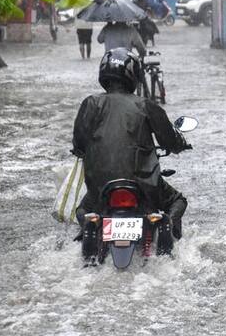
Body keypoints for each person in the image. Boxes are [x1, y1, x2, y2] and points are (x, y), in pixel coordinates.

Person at [72, 48, 189, 261]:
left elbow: (78, 143)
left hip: (101, 186)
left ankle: (89, 226)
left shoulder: (91, 103)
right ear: (134, 76)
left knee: (82, 210)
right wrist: (181, 144)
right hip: (144, 183)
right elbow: (170, 140)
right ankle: (167, 225)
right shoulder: (146, 105)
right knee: (177, 200)